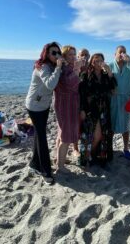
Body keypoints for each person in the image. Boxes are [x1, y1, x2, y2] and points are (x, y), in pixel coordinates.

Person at [25, 42, 64, 185]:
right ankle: (45, 171)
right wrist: (59, 67)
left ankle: (34, 164)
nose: (56, 55)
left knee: (38, 134)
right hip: (34, 106)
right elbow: (50, 84)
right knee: (42, 137)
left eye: (58, 53)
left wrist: (64, 65)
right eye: (53, 53)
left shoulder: (53, 66)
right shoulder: (42, 66)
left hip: (44, 106)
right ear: (46, 53)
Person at [79, 53, 117, 167]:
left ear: (104, 62)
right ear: (91, 62)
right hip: (90, 109)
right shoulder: (85, 75)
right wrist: (81, 110)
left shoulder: (106, 76)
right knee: (90, 135)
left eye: (100, 60)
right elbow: (81, 94)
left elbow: (113, 89)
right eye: (95, 61)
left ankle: (93, 155)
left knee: (102, 135)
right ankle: (86, 156)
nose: (98, 63)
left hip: (104, 109)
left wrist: (110, 72)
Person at [109, 45, 130, 159]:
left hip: (125, 100)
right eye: (120, 52)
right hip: (113, 100)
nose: (122, 54)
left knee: (126, 126)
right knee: (111, 126)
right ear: (115, 54)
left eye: (124, 52)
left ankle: (125, 148)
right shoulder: (109, 66)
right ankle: (109, 148)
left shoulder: (129, 67)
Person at [53, 45, 82, 173]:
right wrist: (77, 70)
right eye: (70, 54)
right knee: (65, 135)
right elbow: (69, 84)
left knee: (62, 133)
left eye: (74, 54)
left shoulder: (69, 66)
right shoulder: (64, 68)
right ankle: (60, 167)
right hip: (65, 104)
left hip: (71, 103)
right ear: (64, 56)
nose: (73, 56)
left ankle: (59, 159)